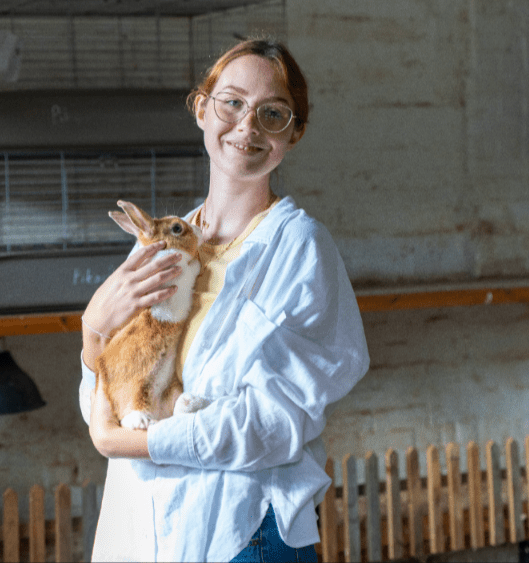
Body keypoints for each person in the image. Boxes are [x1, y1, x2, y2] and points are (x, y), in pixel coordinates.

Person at [78, 38, 369, 562]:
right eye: (231, 101)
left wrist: (131, 443)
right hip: (147, 531)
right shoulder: (162, 241)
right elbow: (116, 401)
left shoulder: (300, 249)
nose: (248, 126)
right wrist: (92, 334)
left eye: (272, 113)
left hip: (241, 532)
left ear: (294, 132)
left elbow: (273, 425)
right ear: (201, 108)